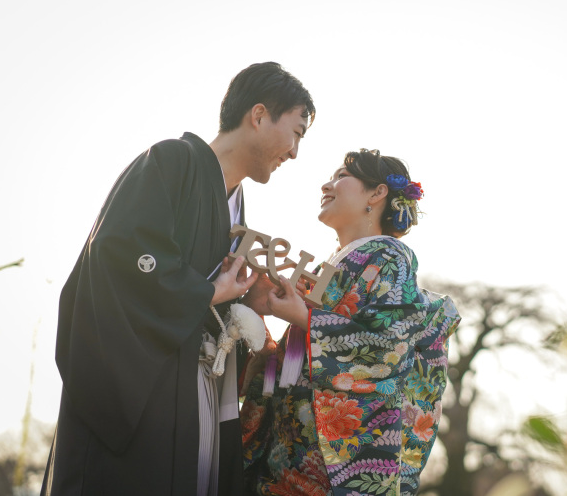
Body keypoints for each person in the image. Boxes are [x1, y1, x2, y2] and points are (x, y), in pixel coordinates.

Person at [41, 62, 315, 496]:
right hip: (146, 387)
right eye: (297, 132)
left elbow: (215, 293)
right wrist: (207, 291)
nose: (296, 152)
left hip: (203, 386)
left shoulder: (236, 202)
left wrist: (247, 300)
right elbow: (119, 254)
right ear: (259, 115)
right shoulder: (172, 161)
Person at [240, 149, 461, 496]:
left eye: (342, 176)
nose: (327, 185)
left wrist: (300, 316)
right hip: (293, 451)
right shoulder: (336, 265)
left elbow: (389, 346)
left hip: (333, 462)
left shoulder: (390, 258)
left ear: (377, 194)